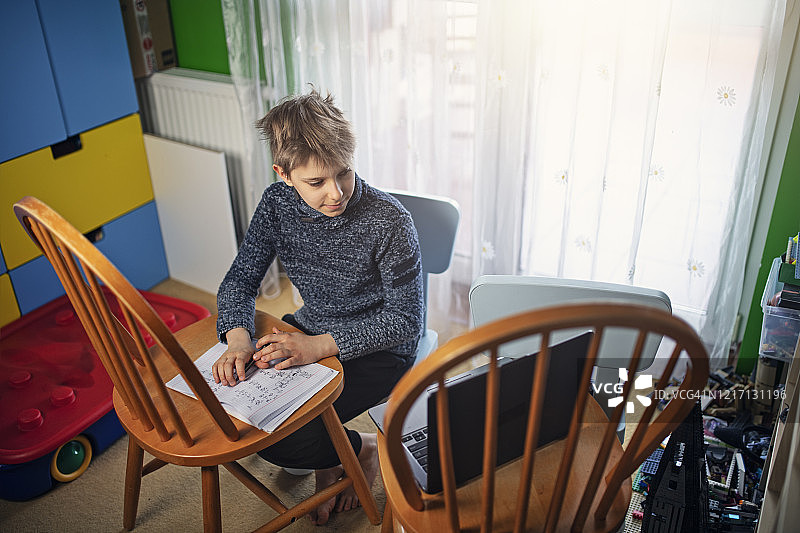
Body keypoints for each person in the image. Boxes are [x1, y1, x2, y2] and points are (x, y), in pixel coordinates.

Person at [211, 88, 424, 525]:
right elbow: (239, 281)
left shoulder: (390, 220)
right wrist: (236, 340)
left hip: (381, 348)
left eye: (344, 173)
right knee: (248, 422)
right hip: (310, 329)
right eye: (316, 182)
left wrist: (318, 347)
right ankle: (338, 453)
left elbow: (405, 321)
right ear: (284, 174)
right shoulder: (276, 204)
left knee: (286, 440)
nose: (336, 193)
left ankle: (361, 449)